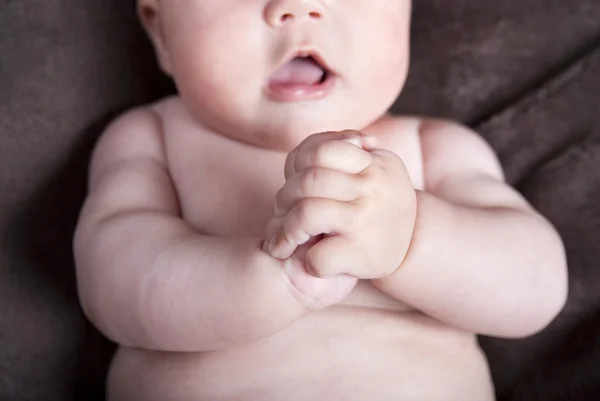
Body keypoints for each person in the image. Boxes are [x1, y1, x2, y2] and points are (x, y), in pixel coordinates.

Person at [73, 0, 569, 399]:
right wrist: (260, 279)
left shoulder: (435, 149)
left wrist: (411, 236)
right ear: (161, 30)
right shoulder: (153, 138)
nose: (298, 8)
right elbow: (109, 276)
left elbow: (537, 287)